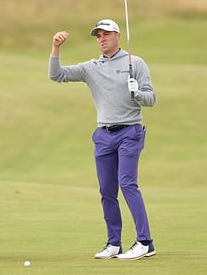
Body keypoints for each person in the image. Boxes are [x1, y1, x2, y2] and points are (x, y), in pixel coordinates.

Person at [48, 19, 156, 260]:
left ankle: (145, 242)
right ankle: (113, 243)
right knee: (107, 190)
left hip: (130, 131)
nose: (101, 39)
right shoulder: (92, 67)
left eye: (106, 34)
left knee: (127, 183)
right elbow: (57, 75)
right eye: (98, 36)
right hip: (104, 134)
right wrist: (56, 48)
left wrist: (136, 93)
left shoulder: (134, 63)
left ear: (117, 36)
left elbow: (151, 98)